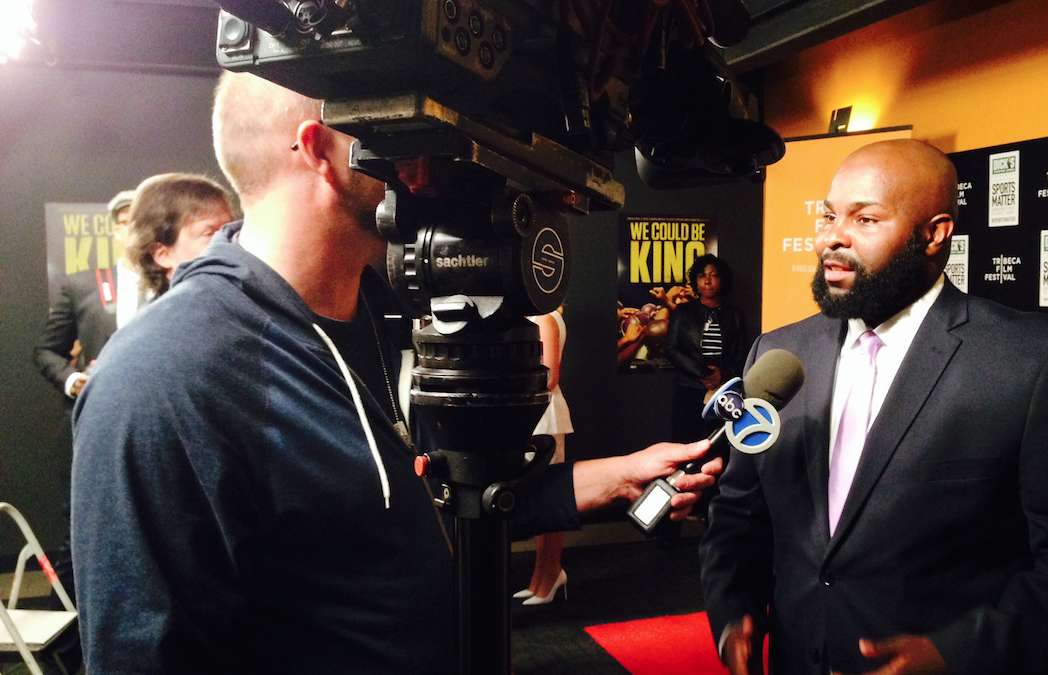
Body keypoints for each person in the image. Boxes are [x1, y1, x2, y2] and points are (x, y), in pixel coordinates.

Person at [71, 71, 721, 674]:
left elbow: (425, 504)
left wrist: (609, 479)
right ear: (320, 149)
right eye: (400, 132)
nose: (424, 165)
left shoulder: (380, 312)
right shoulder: (162, 376)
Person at [700, 140, 1048, 675]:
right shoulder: (778, 354)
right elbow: (739, 515)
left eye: (865, 219)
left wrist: (955, 655)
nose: (832, 237)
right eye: (829, 215)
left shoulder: (1034, 362)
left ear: (934, 234)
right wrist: (733, 611)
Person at [33, 190, 133, 402]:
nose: (134, 229)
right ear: (116, 231)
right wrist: (73, 380)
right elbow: (46, 350)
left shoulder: (176, 283)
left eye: (141, 221)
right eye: (126, 222)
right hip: (102, 408)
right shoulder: (82, 285)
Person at [515, 307, 574, 605]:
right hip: (534, 413)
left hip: (545, 414)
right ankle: (541, 578)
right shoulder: (536, 317)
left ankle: (550, 576)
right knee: (541, 498)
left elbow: (549, 376)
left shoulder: (546, 318)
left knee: (550, 496)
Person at [665, 254, 747, 443]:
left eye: (713, 275)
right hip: (689, 387)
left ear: (722, 280)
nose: (707, 280)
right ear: (695, 280)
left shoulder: (735, 315)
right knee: (685, 442)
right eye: (702, 275)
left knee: (718, 443)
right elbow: (671, 349)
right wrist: (701, 373)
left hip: (724, 390)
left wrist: (723, 375)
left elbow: (742, 354)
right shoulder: (682, 312)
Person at [124, 172, 234, 302]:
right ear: (162, 254)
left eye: (230, 230)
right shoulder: (161, 321)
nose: (229, 242)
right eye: (210, 234)